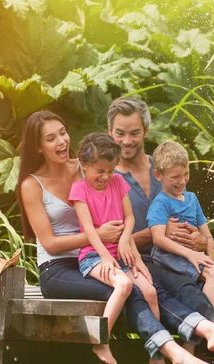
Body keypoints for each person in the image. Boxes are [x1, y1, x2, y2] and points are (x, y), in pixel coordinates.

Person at [16, 111, 214, 364]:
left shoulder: (89, 166)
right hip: (59, 268)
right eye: (51, 138)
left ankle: (210, 329)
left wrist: (127, 242)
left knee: (154, 286)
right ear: (38, 146)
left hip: (106, 256)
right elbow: (49, 243)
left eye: (62, 133)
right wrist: (100, 236)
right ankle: (173, 353)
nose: (61, 141)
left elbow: (118, 204)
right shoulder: (32, 184)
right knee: (130, 290)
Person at [107, 97, 214, 363]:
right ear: (110, 132)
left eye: (134, 133)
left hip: (180, 260)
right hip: (144, 266)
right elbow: (111, 237)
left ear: (146, 132)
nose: (127, 141)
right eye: (120, 133)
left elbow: (193, 220)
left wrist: (199, 241)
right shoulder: (107, 179)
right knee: (188, 289)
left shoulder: (166, 167)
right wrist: (158, 233)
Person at [69, 132, 159, 363]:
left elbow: (129, 218)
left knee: (149, 291)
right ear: (84, 165)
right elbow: (89, 230)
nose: (106, 177)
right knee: (124, 284)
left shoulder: (118, 181)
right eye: (100, 171)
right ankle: (100, 341)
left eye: (110, 170)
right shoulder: (80, 190)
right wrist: (105, 257)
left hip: (119, 252)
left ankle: (156, 353)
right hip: (93, 256)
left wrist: (122, 241)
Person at [148, 141, 214, 312]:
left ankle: (196, 338)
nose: (182, 181)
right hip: (170, 259)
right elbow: (158, 238)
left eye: (186, 174)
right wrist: (191, 254)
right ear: (158, 175)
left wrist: (209, 261)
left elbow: (208, 237)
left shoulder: (192, 199)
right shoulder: (161, 203)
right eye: (175, 177)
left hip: (191, 258)